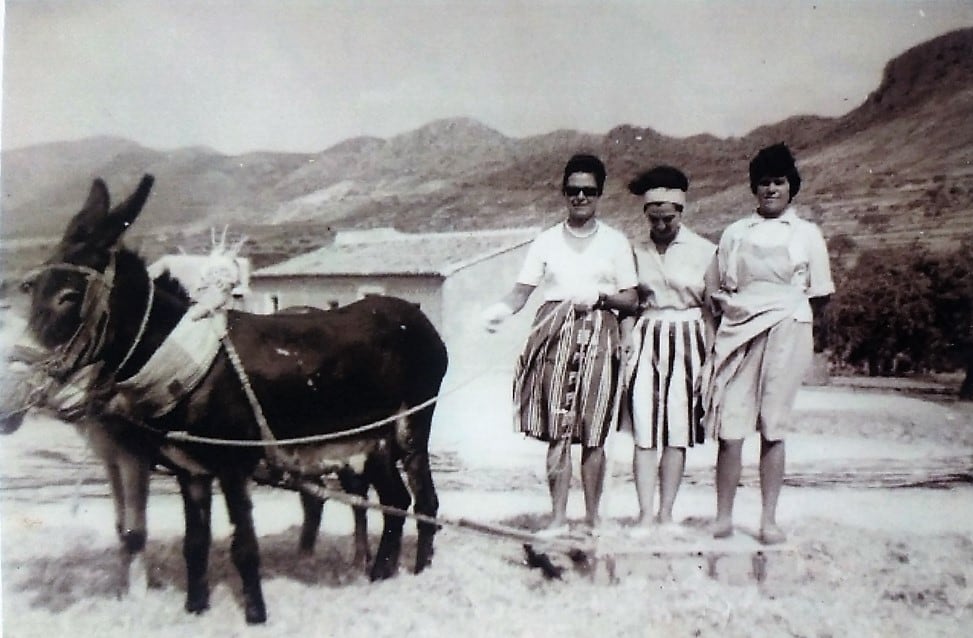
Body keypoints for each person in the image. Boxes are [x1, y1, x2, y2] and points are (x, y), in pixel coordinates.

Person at [482, 153, 638, 536]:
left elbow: (632, 299)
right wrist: (498, 311)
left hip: (600, 336)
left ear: (600, 194)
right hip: (553, 336)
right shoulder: (546, 240)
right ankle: (557, 518)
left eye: (588, 191)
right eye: (573, 191)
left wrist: (600, 297)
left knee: (593, 432)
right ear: (563, 193)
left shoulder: (616, 242)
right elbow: (521, 292)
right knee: (558, 431)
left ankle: (592, 519)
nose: (580, 197)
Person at [702, 143, 834, 545]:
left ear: (791, 187)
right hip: (740, 329)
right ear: (754, 188)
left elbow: (821, 293)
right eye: (764, 183)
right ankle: (723, 518)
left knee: (773, 427)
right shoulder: (736, 233)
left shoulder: (807, 234)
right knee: (731, 426)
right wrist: (730, 312)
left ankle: (768, 521)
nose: (771, 189)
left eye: (778, 182)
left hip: (787, 330)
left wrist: (794, 324)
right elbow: (715, 284)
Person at [621, 165, 716, 536]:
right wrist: (628, 338)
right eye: (654, 218)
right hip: (647, 336)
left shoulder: (706, 251)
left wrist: (710, 358)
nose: (661, 225)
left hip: (689, 336)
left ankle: (666, 515)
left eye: (669, 218)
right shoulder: (635, 251)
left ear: (682, 212)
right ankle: (644, 515)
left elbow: (711, 309)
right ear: (645, 214)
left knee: (677, 429)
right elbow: (629, 302)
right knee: (645, 427)